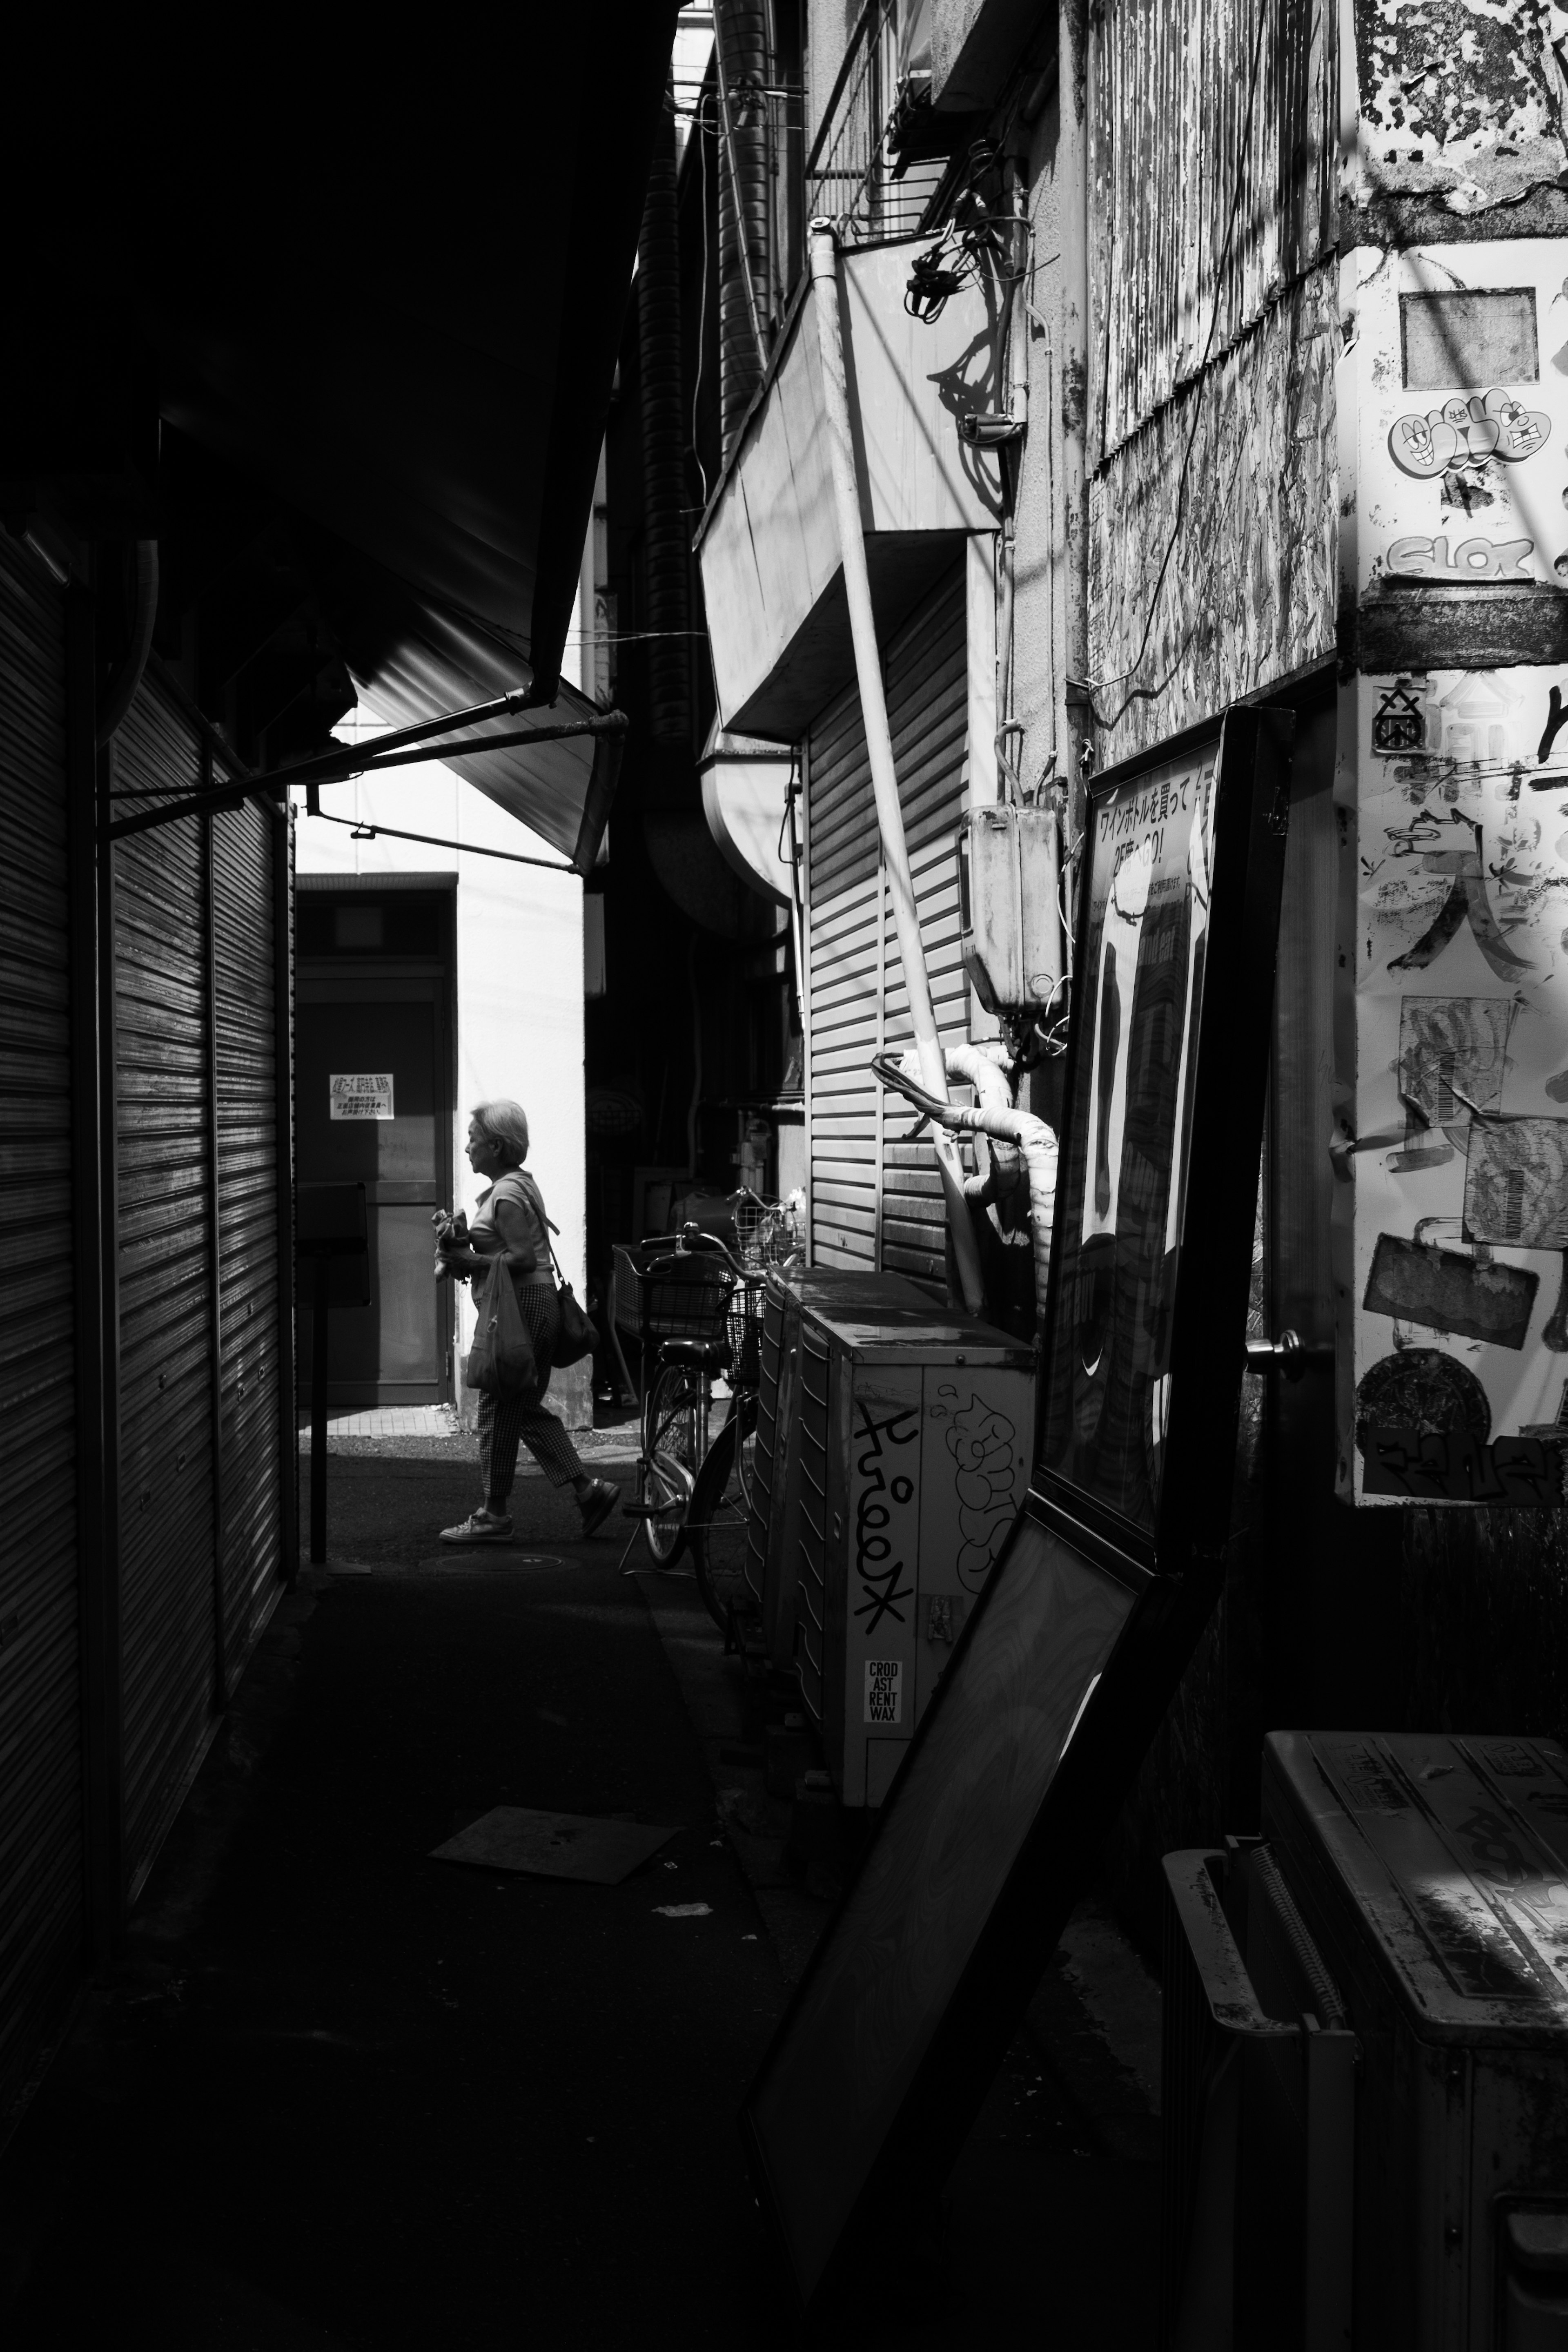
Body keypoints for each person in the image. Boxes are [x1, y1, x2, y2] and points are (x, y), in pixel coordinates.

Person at [433, 1099, 618, 1544]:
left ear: (495, 1145)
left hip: (525, 1307)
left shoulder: (508, 1194)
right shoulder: (517, 1186)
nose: (467, 1149)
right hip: (530, 1304)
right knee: (522, 1407)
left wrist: (467, 1257)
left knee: (499, 1408)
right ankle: (587, 1490)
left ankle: (494, 1515)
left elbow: (520, 1257)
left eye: (474, 1140)